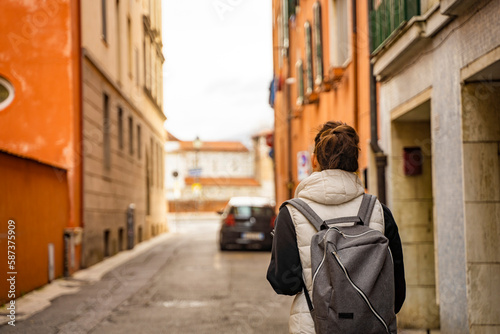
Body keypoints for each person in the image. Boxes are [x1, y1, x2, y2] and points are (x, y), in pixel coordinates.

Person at [267, 121, 406, 334]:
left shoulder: (292, 213)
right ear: (356, 163)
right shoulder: (379, 211)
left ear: (315, 160)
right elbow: (397, 290)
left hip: (313, 327)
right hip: (371, 327)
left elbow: (284, 283)